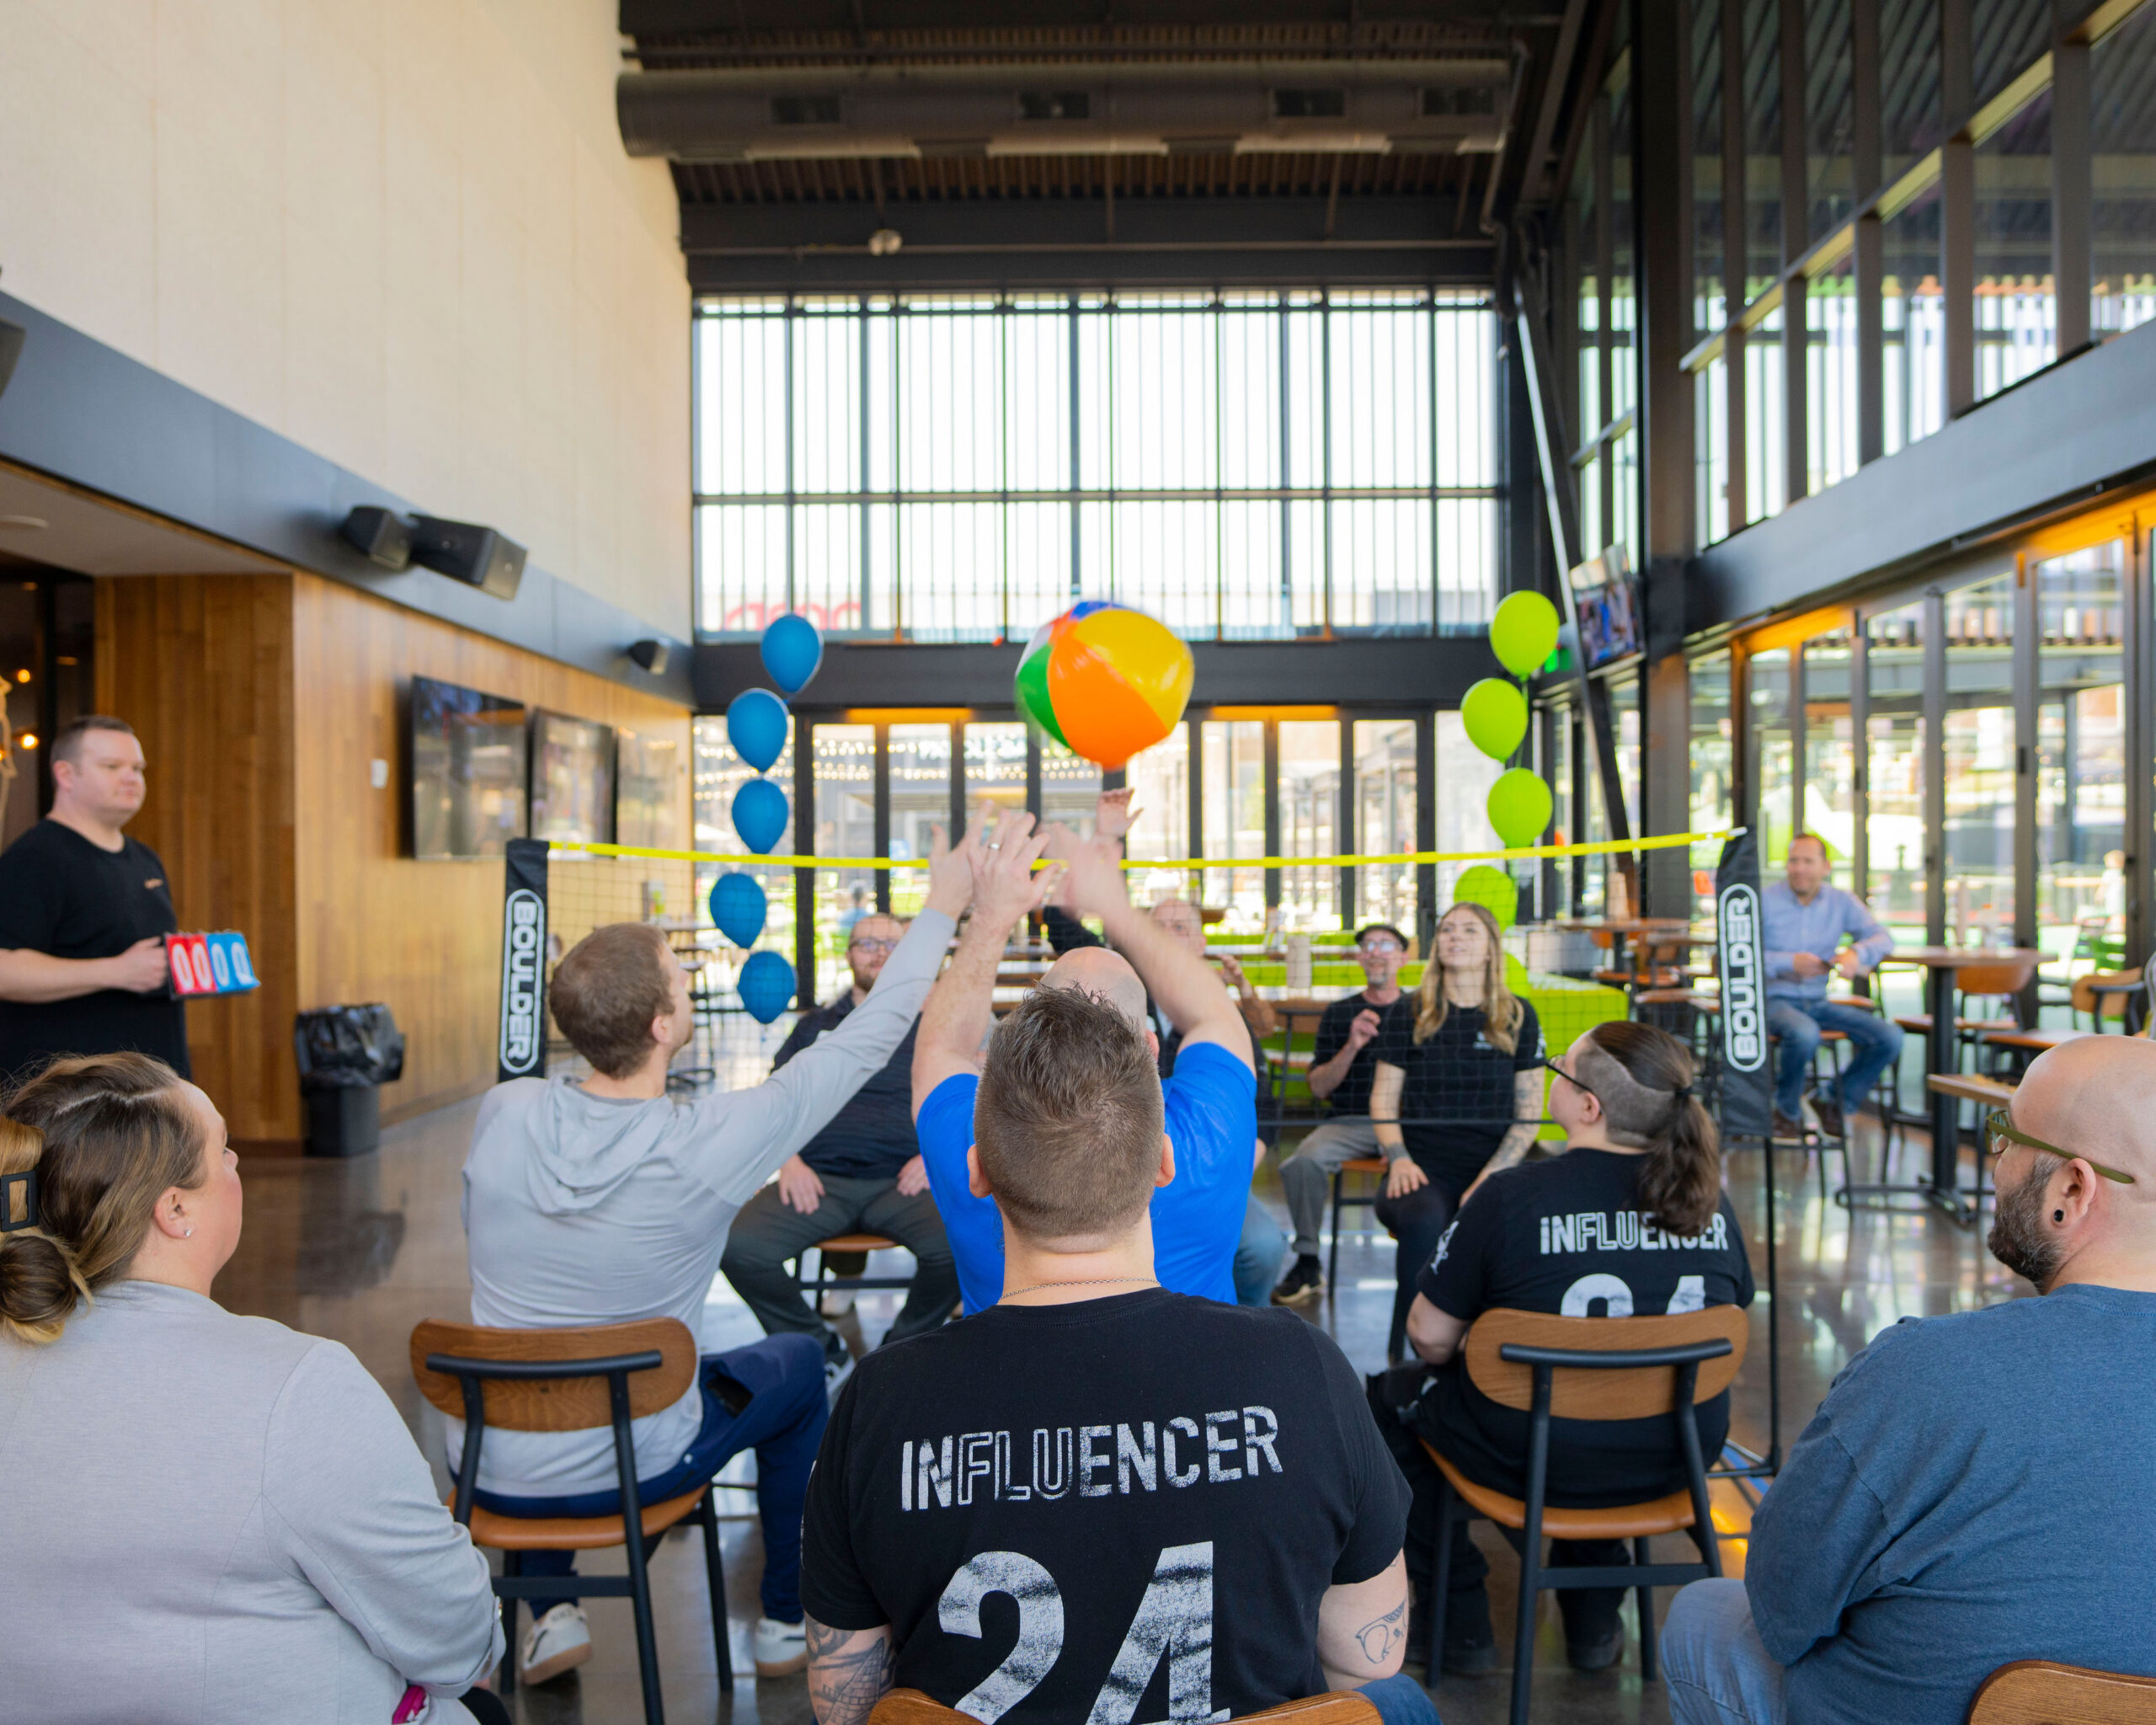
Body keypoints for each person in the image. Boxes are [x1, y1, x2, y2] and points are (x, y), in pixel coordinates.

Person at [800, 975, 1435, 1725]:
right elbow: (1367, 1656)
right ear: (1162, 1164)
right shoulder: (1303, 1367)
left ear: (976, 1172)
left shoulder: (881, 1400)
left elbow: (845, 1709)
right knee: (1400, 1699)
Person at [456, 830, 972, 1688]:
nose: (689, 981)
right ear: (663, 1025)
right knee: (799, 1366)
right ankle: (779, 1617)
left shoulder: (501, 1112)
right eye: (678, 974)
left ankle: (549, 1608)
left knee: (555, 1355)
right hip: (637, 1455)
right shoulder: (708, 1142)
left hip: (491, 1462)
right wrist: (945, 902)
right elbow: (868, 1035)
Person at [1661, 1033, 2156, 1725]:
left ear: (2072, 1189)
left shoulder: (1925, 1373)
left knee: (1703, 1613)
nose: (1996, 1161)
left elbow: (1782, 1602)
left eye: (2007, 1136)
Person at [0, 1053, 508, 1724]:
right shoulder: (297, 1390)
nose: (239, 1165)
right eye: (224, 1150)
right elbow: (462, 1642)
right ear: (175, 1209)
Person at [1375, 1020, 1753, 1678]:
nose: (1551, 1071)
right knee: (1584, 1420)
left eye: (1561, 1066)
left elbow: (1430, 1338)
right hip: (1676, 1455)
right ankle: (1594, 1621)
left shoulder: (1511, 1196)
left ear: (1587, 1106)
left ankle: (1459, 1625)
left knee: (1389, 1401)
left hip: (1539, 1453)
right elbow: (1733, 1311)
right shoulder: (1710, 1202)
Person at [913, 806, 1257, 1313]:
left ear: (978, 1170)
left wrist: (989, 916)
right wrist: (1113, 904)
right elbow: (1213, 1014)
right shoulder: (1208, 1140)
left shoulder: (972, 1143)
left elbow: (943, 1047)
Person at [1044, 789, 1288, 1306]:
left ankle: (1244, 1325)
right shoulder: (1114, 991)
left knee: (1264, 1246)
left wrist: (1220, 1174)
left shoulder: (1224, 1018)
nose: (1171, 934)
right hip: (1102, 1162)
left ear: (1201, 944)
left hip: (1202, 1167)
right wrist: (1107, 839)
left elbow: (1262, 1116)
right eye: (1160, 926)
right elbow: (1061, 921)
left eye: (1183, 927)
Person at [720, 911, 958, 1375]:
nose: (879, 952)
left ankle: (902, 1352)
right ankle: (819, 1349)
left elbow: (969, 1098)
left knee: (965, 1240)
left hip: (905, 1184)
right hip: (817, 1182)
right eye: (867, 943)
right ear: (848, 954)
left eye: (891, 943)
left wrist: (934, 1155)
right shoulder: (814, 1026)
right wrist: (787, 1162)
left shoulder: (934, 1023)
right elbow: (774, 1102)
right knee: (737, 1246)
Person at [1366, 901, 1545, 1357]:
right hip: (1422, 1169)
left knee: (1518, 1224)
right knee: (1425, 1218)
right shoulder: (1411, 1013)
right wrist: (1399, 1155)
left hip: (1495, 1170)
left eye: (1469, 930)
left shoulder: (1519, 1016)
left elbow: (1528, 1114)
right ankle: (1418, 1359)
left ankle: (1492, 1352)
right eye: (1447, 929)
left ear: (1490, 949)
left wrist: (1491, 1178)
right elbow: (1383, 1099)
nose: (1455, 937)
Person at [0, 716, 184, 1082]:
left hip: (151, 1087)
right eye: (112, 767)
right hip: (77, 1102)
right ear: (66, 775)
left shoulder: (146, 858)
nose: (131, 778)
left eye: (137, 768)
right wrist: (116, 971)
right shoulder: (33, 859)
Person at [1273, 921, 1415, 1306]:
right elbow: (1319, 1087)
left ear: (1403, 957)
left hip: (1412, 1124)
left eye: (1385, 944)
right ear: (1359, 958)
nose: (1375, 951)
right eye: (1368, 945)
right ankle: (1307, 1262)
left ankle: (1438, 1265)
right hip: (1351, 1122)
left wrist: (1399, 1142)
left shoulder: (1423, 1010)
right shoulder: (1340, 1013)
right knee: (1302, 1161)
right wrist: (1352, 1045)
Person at [1762, 832, 1902, 1140]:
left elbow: (1882, 937)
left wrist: (1856, 952)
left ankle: (1832, 1099)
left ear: (1825, 866)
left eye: (1807, 861)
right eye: (1793, 861)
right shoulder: (1764, 900)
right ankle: (1785, 1112)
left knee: (1889, 1037)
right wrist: (1788, 962)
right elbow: (1737, 954)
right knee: (1803, 1033)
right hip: (1773, 1000)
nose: (1799, 868)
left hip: (1817, 1001)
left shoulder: (1841, 901)